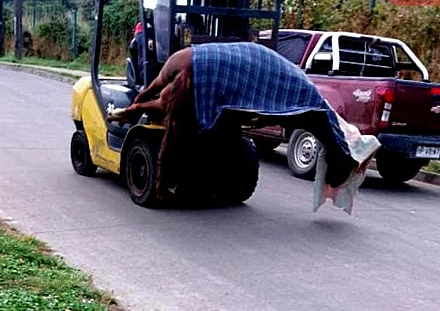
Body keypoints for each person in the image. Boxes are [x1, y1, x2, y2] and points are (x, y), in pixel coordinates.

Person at [108, 41, 379, 208]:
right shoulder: (180, 64)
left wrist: (133, 107)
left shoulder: (175, 70)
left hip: (239, 72)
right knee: (312, 110)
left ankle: (341, 153)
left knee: (312, 111)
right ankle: (341, 152)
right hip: (253, 67)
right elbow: (157, 98)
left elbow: (154, 94)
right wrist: (136, 107)